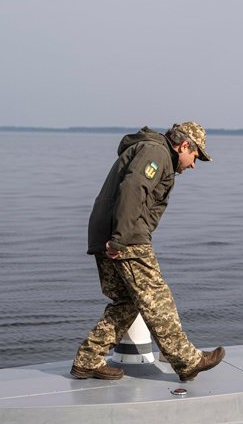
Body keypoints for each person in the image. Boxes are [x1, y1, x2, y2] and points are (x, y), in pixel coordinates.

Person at [71, 122, 225, 382]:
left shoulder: (151, 151)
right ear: (184, 145)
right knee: (157, 298)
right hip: (126, 237)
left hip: (107, 233)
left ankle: (88, 360)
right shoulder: (157, 154)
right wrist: (120, 240)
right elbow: (133, 189)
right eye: (195, 156)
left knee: (127, 302)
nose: (193, 164)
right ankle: (188, 361)